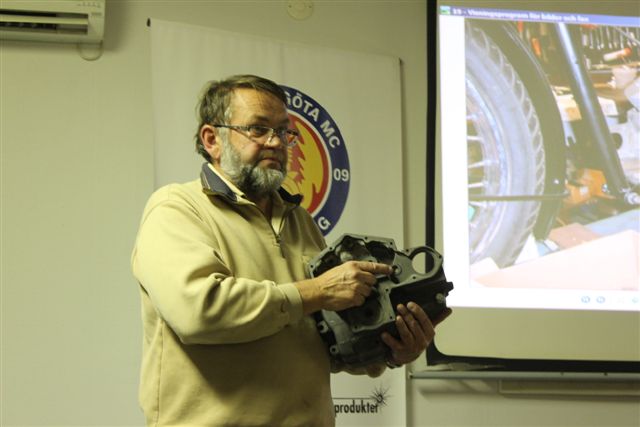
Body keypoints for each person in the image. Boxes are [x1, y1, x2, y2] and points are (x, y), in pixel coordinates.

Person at [132, 74, 450, 426]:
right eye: (258, 129)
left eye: (284, 132)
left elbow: (326, 342)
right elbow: (199, 313)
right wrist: (317, 291)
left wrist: (391, 350)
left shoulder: (300, 221)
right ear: (212, 139)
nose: (275, 142)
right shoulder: (177, 208)